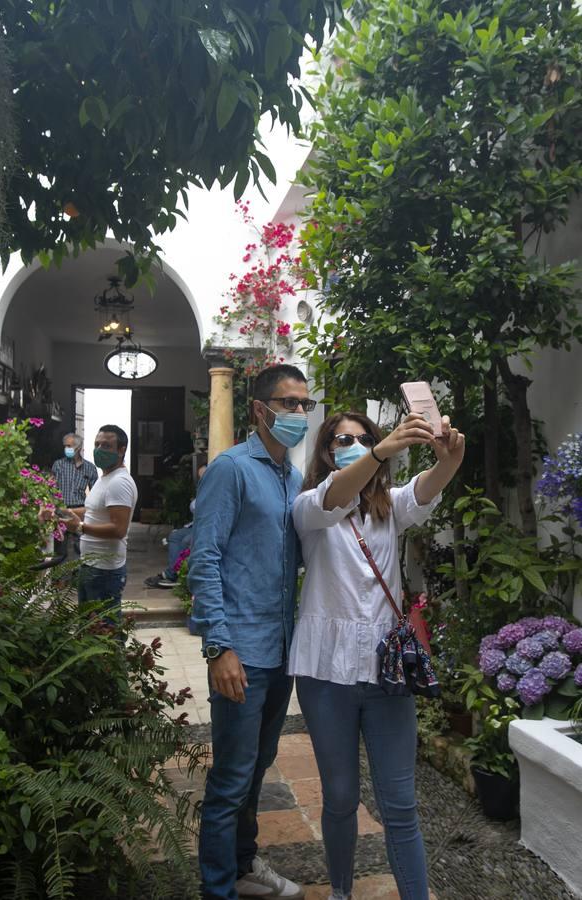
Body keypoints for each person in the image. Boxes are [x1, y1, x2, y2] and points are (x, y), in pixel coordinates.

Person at [288, 409, 465, 900]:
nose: (353, 443)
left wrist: (450, 459)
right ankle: (342, 892)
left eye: (362, 438)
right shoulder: (310, 506)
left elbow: (426, 489)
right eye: (342, 439)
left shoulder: (390, 506)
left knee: (400, 804)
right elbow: (336, 495)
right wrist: (381, 449)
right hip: (327, 674)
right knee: (341, 798)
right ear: (326, 450)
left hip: (387, 673)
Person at [188, 363, 316, 900]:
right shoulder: (232, 469)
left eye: (305, 404)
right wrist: (219, 647)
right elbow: (206, 559)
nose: (300, 414)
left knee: (258, 767)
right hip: (240, 647)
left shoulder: (291, 476)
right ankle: (218, 888)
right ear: (260, 411)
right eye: (290, 404)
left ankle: (243, 863)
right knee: (231, 779)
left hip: (280, 647)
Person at [61, 425, 138, 619]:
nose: (99, 449)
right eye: (97, 444)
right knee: (91, 630)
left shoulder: (119, 482)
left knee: (105, 631)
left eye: (106, 445)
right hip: (92, 566)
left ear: (122, 450)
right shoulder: (106, 478)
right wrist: (61, 512)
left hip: (104, 571)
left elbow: (118, 529)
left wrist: (79, 527)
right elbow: (94, 510)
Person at [144, 459, 208, 589]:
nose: (202, 480)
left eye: (205, 476)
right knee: (175, 536)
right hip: (195, 525)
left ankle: (172, 575)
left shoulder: (217, 489)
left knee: (186, 541)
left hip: (208, 527)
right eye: (200, 478)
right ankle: (173, 573)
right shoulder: (202, 489)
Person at [51, 432, 98, 560]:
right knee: (59, 546)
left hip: (79, 510)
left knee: (81, 545)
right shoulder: (58, 465)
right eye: (65, 446)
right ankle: (58, 577)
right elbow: (51, 488)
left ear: (78, 447)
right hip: (61, 509)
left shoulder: (89, 468)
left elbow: (95, 494)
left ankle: (79, 574)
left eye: (69, 446)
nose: (66, 449)